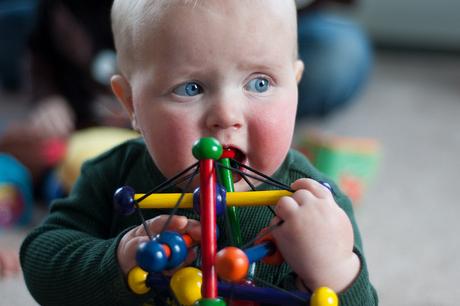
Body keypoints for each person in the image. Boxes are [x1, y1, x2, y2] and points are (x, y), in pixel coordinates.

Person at [20, 1, 378, 305]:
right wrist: (117, 260)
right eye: (190, 88)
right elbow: (41, 259)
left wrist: (337, 271)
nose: (226, 115)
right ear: (131, 103)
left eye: (260, 83)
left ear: (295, 86)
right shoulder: (113, 175)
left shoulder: (315, 200)